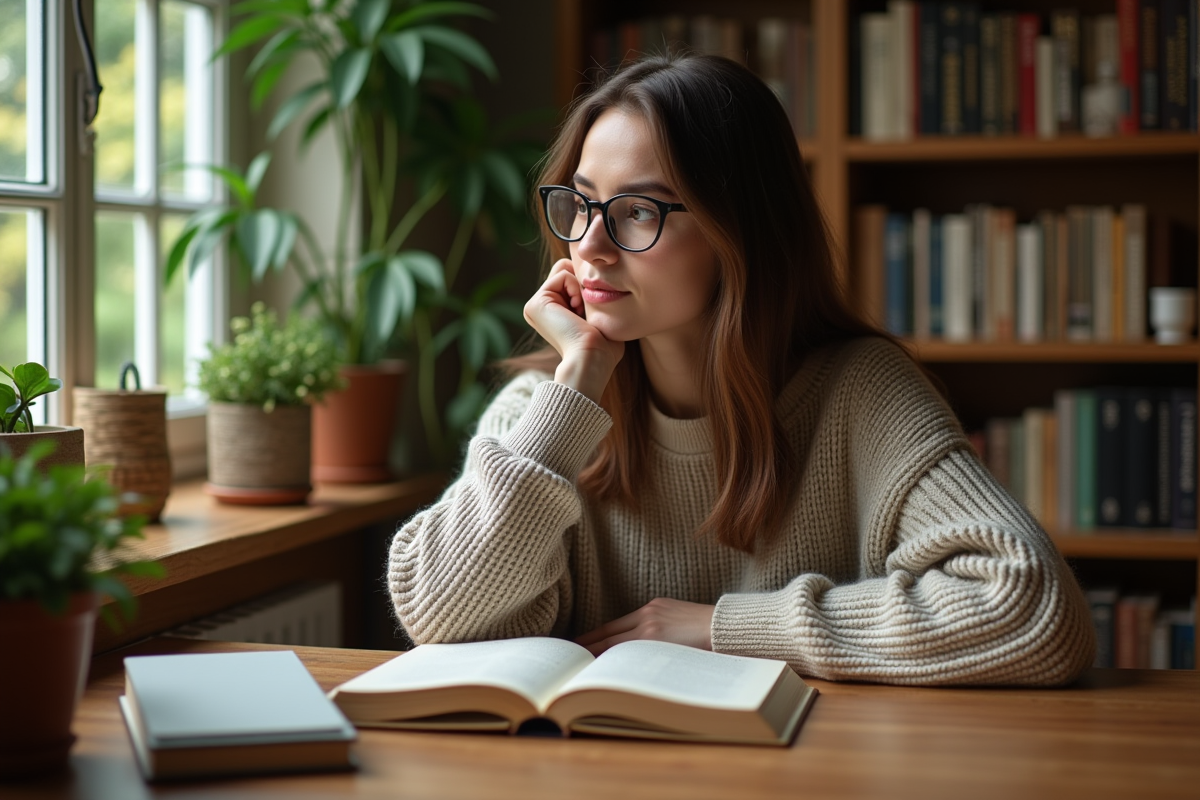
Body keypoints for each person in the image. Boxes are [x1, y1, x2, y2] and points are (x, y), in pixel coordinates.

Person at [388, 52, 1095, 686]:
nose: (591, 245)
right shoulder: (548, 410)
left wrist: (724, 629)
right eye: (579, 202)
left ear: (739, 233)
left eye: (636, 211)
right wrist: (573, 389)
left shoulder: (858, 391)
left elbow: (1029, 604)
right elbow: (439, 616)